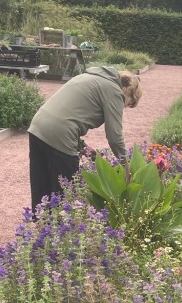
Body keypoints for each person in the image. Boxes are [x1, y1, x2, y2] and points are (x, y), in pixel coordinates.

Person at [27, 66, 142, 213]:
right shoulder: (114, 91)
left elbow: (68, 113)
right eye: (130, 104)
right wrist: (126, 167)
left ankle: (41, 223)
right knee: (67, 191)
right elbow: (114, 137)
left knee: (41, 186)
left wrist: (82, 146)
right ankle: (62, 223)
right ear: (129, 93)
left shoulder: (90, 77)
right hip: (61, 134)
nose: (125, 107)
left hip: (37, 126)